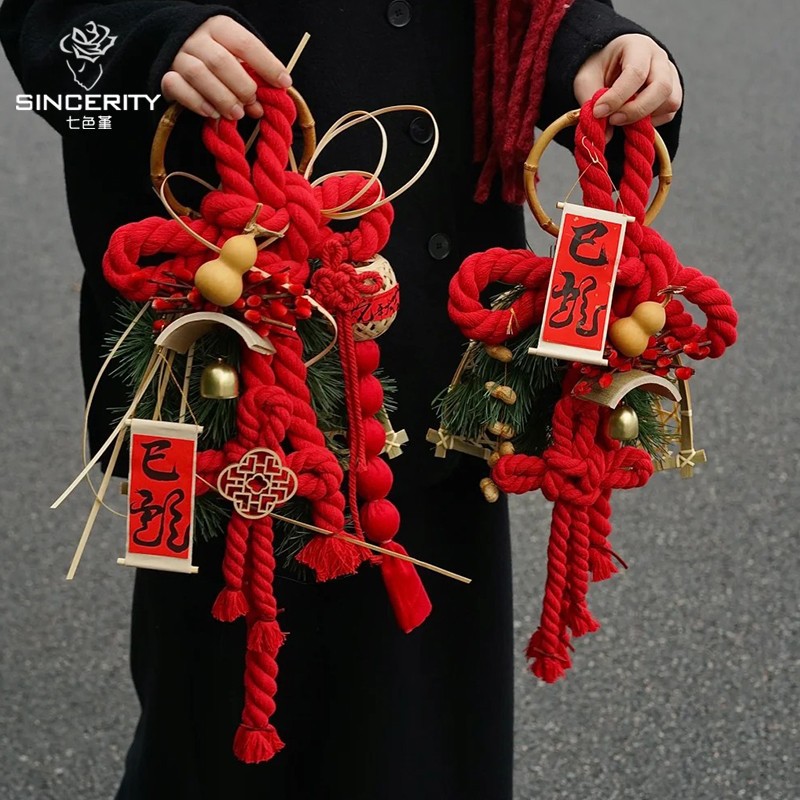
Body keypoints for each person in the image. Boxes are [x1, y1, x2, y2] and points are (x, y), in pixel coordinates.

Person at [0, 2, 683, 798]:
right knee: (218, 706)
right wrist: (152, 38)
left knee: (424, 718)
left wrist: (590, 45)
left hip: (432, 320)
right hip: (220, 329)